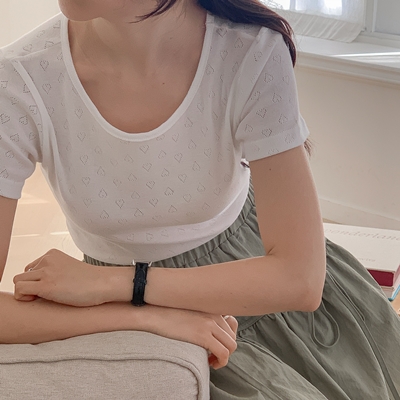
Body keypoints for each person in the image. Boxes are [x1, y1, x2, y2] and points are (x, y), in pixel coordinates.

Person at [0, 0, 399, 398]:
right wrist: (135, 315)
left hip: (269, 294)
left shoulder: (250, 49)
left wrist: (118, 284)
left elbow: (300, 279)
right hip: (164, 334)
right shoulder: (19, 80)